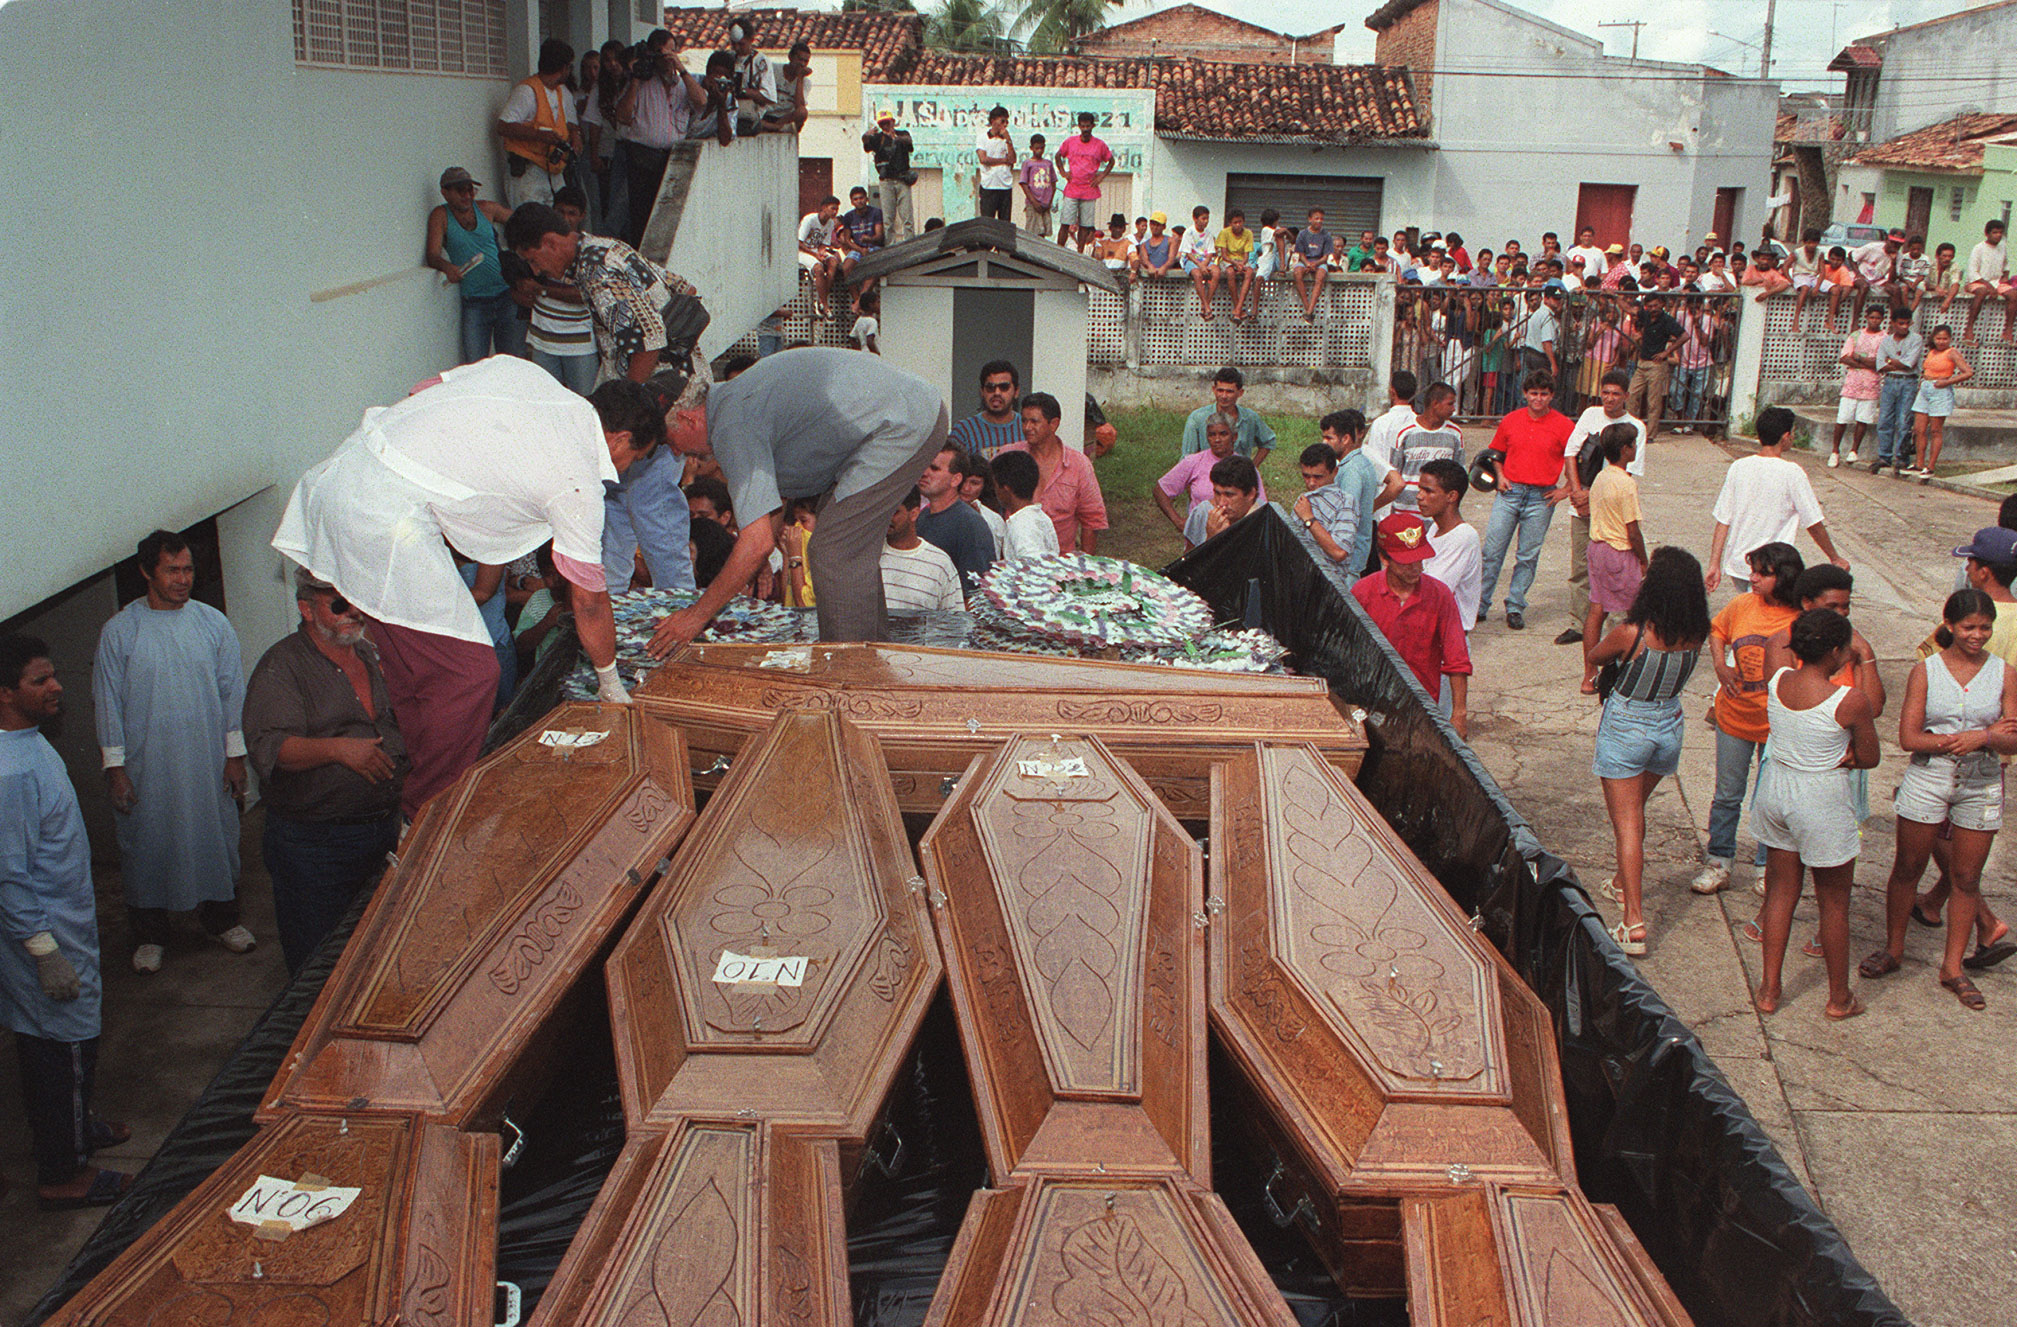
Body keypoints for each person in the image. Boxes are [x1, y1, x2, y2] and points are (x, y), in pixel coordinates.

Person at [273, 359, 662, 816]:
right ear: (618, 439)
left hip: (343, 474)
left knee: (415, 668)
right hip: (383, 519)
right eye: (633, 459)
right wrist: (610, 682)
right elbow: (589, 602)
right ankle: (429, 810)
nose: (622, 472)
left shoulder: (526, 374)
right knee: (470, 675)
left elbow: (423, 389)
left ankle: (418, 781)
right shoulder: (577, 482)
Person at [646, 348, 949, 650]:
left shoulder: (731, 426)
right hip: (906, 412)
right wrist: (756, 562)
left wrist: (695, 617)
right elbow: (772, 505)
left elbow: (756, 542)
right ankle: (869, 653)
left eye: (670, 442)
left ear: (688, 419)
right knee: (845, 546)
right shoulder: (734, 404)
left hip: (903, 423)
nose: (676, 452)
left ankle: (850, 668)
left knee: (835, 550)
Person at [2, 634, 133, 1211]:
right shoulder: (9, 772)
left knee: (62, 1044)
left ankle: (75, 1126)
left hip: (65, 921)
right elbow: (8, 876)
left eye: (53, 675)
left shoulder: (28, 743)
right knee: (62, 1048)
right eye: (40, 680)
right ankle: (63, 1172)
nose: (57, 687)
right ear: (5, 693)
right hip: (47, 935)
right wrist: (44, 952)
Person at [92, 531, 251, 974]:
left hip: (206, 760)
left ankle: (223, 920)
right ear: (147, 572)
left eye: (188, 570)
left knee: (215, 835)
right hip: (148, 764)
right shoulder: (120, 631)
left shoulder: (213, 624)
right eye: (172, 571)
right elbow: (107, 702)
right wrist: (115, 769)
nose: (182, 580)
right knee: (148, 843)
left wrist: (234, 756)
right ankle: (150, 935)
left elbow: (232, 693)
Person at [242, 573, 410, 974]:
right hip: (316, 844)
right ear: (306, 609)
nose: (352, 612)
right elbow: (271, 747)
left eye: (356, 600)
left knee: (375, 954)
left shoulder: (368, 654)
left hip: (381, 830)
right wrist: (338, 750)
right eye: (338, 604)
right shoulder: (282, 666)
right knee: (319, 963)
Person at [1860, 589, 2017, 1009]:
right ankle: (1894, 949)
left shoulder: (2004, 673)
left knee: (1966, 877)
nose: (1977, 635)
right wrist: (1972, 739)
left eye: (1985, 628)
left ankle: (1953, 967)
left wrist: (1982, 737)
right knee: (1908, 866)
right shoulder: (1926, 671)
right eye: (1969, 627)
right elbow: (1908, 737)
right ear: (1949, 625)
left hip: (1981, 782)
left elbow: (2013, 737)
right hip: (1930, 776)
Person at [1750, 610, 1881, 1020]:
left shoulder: (1778, 681)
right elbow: (1870, 757)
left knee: (1780, 892)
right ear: (1837, 651)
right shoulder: (1849, 700)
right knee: (1834, 903)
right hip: (1820, 796)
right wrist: (1849, 755)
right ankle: (1839, 997)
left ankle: (1769, 989)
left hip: (1776, 789)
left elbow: (1776, 645)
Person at [1585, 547, 1711, 956]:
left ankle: (1633, 920)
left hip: (1628, 725)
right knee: (1635, 810)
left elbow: (1595, 655)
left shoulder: (1633, 633)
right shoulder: (1698, 633)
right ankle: (1621, 881)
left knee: (1627, 823)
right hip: (1669, 723)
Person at [1692, 541, 1806, 895]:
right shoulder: (1742, 604)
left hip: (1777, 726)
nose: (1753, 578)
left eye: (1762, 573)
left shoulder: (1800, 619)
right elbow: (1717, 630)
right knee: (1727, 795)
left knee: (1769, 800)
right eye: (1753, 571)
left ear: (1784, 577)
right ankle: (1719, 861)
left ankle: (1766, 866)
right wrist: (1720, 665)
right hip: (1734, 717)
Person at [506, 201, 707, 386]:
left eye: (533, 260)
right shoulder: (604, 246)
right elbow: (684, 288)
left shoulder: (596, 272)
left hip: (666, 388)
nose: (536, 271)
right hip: (685, 376)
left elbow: (649, 342)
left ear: (550, 243)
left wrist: (631, 399)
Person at [1704, 406, 1849, 592]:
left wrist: (1714, 564)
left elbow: (1723, 520)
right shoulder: (1792, 472)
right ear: (1786, 436)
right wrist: (1834, 557)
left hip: (1739, 565)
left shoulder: (1738, 467)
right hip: (1772, 570)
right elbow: (1813, 521)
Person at [1353, 513, 1472, 737]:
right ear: (1384, 558)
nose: (1416, 568)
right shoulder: (1362, 593)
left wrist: (1459, 714)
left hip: (1421, 709)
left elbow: (1457, 658)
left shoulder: (1440, 595)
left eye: (1420, 559)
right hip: (1371, 703)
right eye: (1406, 563)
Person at [1475, 371, 1571, 630]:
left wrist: (1566, 489)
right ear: (1525, 394)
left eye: (1544, 394)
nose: (1538, 398)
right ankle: (1480, 604)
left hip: (1542, 498)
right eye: (1533, 393)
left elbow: (1576, 459)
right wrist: (1500, 476)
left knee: (1528, 556)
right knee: (1492, 552)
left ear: (1551, 396)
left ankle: (1515, 606)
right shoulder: (1511, 420)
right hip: (1510, 493)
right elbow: (1496, 453)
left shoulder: (1563, 425)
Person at [1558, 369, 1644, 644]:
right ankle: (1579, 622)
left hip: (1610, 510)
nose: (1609, 398)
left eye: (1616, 394)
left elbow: (1628, 472)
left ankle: (1614, 629)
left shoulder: (1636, 427)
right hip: (1581, 501)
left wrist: (1590, 497)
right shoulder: (1590, 415)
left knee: (1616, 569)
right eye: (1605, 392)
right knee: (1580, 566)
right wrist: (1576, 492)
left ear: (1626, 396)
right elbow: (1571, 453)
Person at [613, 41, 707, 248]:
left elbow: (701, 102)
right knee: (641, 215)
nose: (666, 58)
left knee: (673, 216)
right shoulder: (641, 83)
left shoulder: (683, 84)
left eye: (669, 51)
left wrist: (681, 68)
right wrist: (635, 77)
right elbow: (622, 116)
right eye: (660, 53)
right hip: (642, 157)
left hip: (674, 157)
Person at [425, 166, 523, 364]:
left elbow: (523, 221)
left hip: (506, 295)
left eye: (471, 190)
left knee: (513, 362)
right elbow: (432, 255)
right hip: (475, 302)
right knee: (475, 365)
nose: (467, 195)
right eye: (460, 191)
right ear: (445, 193)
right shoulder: (441, 215)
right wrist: (447, 267)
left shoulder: (486, 208)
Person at [1578, 424, 1649, 691]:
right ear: (1625, 449)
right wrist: (1643, 560)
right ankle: (1634, 670)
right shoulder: (1626, 483)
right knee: (1635, 612)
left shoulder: (1601, 477)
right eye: (1633, 444)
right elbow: (1633, 530)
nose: (1636, 448)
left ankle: (1589, 675)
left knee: (1597, 609)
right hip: (1619, 552)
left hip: (1597, 548)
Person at [996, 392, 1107, 554]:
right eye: (1024, 421)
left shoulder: (1079, 465)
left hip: (1062, 561)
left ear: (1053, 424)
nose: (1027, 427)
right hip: (1016, 560)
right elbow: (988, 498)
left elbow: (1093, 520)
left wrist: (1084, 564)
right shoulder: (1008, 456)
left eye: (1034, 421)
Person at [519, 186, 599, 394]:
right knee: (546, 400)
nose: (565, 218)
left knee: (585, 401)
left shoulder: (588, 250)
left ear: (582, 216)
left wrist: (542, 290)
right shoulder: (539, 244)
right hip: (542, 338)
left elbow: (586, 295)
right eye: (560, 211)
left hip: (578, 341)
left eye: (572, 213)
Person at [497, 38, 580, 208]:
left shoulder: (560, 91)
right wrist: (539, 136)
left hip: (553, 171)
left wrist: (575, 135)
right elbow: (503, 126)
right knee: (531, 221)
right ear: (563, 68)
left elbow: (567, 122)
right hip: (528, 173)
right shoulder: (527, 91)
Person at [1157, 412, 1263, 533]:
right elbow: (1161, 490)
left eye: (1223, 434)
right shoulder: (1193, 462)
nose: (1217, 439)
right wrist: (1178, 521)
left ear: (1234, 437)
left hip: (1237, 534)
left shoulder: (1245, 467)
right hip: (1200, 535)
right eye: (1212, 435)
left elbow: (1259, 505)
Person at [915, 443, 994, 594]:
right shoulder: (922, 517)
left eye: (934, 468)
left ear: (956, 479)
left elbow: (976, 594)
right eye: (924, 465)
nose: (924, 473)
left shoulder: (970, 524)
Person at [1415, 458, 1480, 631]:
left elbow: (1433, 590)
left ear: (1451, 496)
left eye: (1428, 491)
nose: (1419, 496)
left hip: (1449, 634)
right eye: (1420, 489)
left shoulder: (1463, 537)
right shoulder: (1435, 528)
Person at [1906, 325, 1973, 482]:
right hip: (1925, 388)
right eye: (1938, 338)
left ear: (1950, 339)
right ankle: (1919, 463)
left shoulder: (1952, 352)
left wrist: (1947, 382)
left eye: (1945, 339)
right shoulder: (1932, 351)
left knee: (1936, 430)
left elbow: (1968, 372)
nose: (1941, 342)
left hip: (1940, 390)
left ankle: (1930, 467)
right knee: (1919, 429)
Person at [881, 487, 964, 613]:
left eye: (894, 512)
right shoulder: (868, 556)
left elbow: (954, 619)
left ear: (914, 513)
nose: (887, 518)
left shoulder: (939, 564)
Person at [1388, 380, 1464, 515]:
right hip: (1406, 510)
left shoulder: (1455, 434)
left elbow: (1458, 475)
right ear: (1435, 404)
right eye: (1450, 404)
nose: (1453, 409)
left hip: (1439, 514)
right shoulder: (1404, 432)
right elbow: (1394, 472)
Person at [1828, 304, 1884, 467]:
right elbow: (1845, 357)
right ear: (1866, 317)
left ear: (1882, 319)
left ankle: (1854, 450)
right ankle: (1835, 451)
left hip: (1871, 384)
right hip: (1852, 383)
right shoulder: (1856, 335)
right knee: (1842, 418)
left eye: (1878, 318)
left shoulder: (1885, 338)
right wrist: (1867, 363)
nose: (1874, 321)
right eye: (1872, 317)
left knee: (1863, 419)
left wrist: (1859, 358)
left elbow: (1880, 362)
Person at [1180, 367, 1275, 463]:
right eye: (1220, 390)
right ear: (1214, 390)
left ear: (1240, 393)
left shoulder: (1250, 418)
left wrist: (1252, 467)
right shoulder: (1197, 418)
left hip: (1239, 471)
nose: (1224, 396)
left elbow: (1268, 441)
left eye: (1229, 391)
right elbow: (1187, 457)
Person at [1624, 291, 1684, 444]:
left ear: (1662, 304)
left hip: (1657, 365)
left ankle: (1650, 435)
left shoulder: (1667, 320)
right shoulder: (1645, 316)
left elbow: (1684, 336)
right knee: (1631, 395)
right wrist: (1614, 296)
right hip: (1642, 363)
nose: (1653, 309)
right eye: (1650, 306)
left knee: (1653, 401)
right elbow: (1629, 309)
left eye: (1656, 305)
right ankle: (1631, 431)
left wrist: (1666, 352)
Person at [1870, 305, 1924, 475]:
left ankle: (1902, 457)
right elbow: (1880, 364)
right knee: (1884, 419)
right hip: (1890, 381)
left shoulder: (1916, 339)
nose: (1904, 326)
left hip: (1908, 382)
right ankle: (1884, 456)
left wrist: (1891, 361)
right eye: (1900, 323)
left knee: (1904, 421)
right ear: (1893, 323)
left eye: (1907, 323)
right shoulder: (1886, 341)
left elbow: (1910, 364)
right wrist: (1895, 363)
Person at [1290, 443, 1360, 571]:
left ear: (1335, 472)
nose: (1311, 483)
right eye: (1306, 476)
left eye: (1318, 477)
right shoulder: (1304, 501)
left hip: (1329, 578)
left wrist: (1309, 519)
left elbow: (1339, 552)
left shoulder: (1345, 502)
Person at [1053, 113, 1113, 250]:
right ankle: (1058, 251)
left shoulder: (1099, 145)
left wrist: (1101, 177)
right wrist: (1063, 172)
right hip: (1072, 188)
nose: (1085, 129)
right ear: (1079, 126)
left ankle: (1080, 251)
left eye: (1088, 126)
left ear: (1093, 126)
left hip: (1089, 189)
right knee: (1065, 222)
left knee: (1085, 225)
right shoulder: (1070, 142)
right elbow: (1058, 156)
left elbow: (1111, 161)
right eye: (1083, 126)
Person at [948, 360, 1025, 460]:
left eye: (1004, 387)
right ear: (982, 392)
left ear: (1016, 391)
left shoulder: (1027, 428)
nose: (997, 393)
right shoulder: (964, 431)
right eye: (990, 387)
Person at [991, 450, 1061, 561]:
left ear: (1006, 488)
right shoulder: (1040, 517)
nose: (995, 492)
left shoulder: (1021, 524)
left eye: (995, 486)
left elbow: (1031, 565)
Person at [861, 109, 917, 244]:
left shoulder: (902, 134)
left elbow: (909, 143)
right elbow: (866, 145)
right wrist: (866, 135)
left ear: (893, 121)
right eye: (882, 123)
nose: (885, 125)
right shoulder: (877, 138)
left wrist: (895, 137)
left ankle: (910, 244)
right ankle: (890, 246)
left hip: (902, 179)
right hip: (886, 181)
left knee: (907, 217)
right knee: (888, 218)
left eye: (887, 122)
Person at [1184, 455, 1261, 551]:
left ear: (1251, 494)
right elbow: (1189, 557)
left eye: (1229, 495)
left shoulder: (1269, 516)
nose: (1221, 503)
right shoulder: (1202, 513)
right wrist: (1211, 539)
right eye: (1217, 493)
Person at [1963, 218, 2016, 343]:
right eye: (1995, 232)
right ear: (1987, 233)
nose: (1998, 235)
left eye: (2000, 233)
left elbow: (2006, 266)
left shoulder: (2002, 247)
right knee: (1982, 292)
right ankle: (1969, 330)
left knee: (2014, 294)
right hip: (1977, 282)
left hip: (1996, 282)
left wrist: (2005, 277)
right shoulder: (1979, 248)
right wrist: (1989, 286)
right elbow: (1972, 272)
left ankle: (2007, 331)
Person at [796, 195, 846, 321]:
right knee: (818, 269)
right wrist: (816, 255)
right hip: (802, 251)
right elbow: (798, 242)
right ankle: (825, 305)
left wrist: (822, 252)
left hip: (815, 251)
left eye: (837, 209)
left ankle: (821, 301)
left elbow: (824, 244)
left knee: (833, 262)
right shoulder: (810, 219)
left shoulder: (830, 223)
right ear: (824, 207)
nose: (835, 212)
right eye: (833, 208)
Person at [728, 20, 777, 137]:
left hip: (750, 115)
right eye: (734, 44)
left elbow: (769, 97)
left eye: (741, 44)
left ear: (751, 40)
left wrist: (744, 92)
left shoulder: (761, 61)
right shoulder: (728, 58)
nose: (737, 48)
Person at [1291, 208, 1335, 321]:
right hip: (1305, 261)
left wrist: (1315, 264)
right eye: (1316, 218)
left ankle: (1310, 310)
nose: (1319, 221)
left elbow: (1325, 257)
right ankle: (1307, 306)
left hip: (1319, 262)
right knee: (1297, 273)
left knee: (1320, 277)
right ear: (1310, 219)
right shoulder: (1302, 234)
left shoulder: (1326, 235)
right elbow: (1300, 253)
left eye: (1321, 219)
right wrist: (1307, 264)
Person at [975, 105, 1016, 222]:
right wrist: (1003, 160)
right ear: (993, 121)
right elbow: (983, 159)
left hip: (1005, 186)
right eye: (1002, 121)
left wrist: (1008, 140)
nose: (1005, 124)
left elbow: (1012, 159)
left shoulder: (1006, 140)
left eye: (1006, 122)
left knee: (1005, 224)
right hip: (989, 186)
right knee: (988, 222)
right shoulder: (982, 138)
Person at [1217, 208, 1257, 323]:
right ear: (1230, 223)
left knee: (1249, 272)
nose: (1238, 225)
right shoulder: (1224, 233)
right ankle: (1238, 307)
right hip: (1228, 260)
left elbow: (1247, 255)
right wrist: (1235, 264)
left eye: (1240, 222)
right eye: (1235, 222)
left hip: (1241, 260)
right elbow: (1224, 255)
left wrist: (1242, 264)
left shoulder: (1248, 233)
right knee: (1230, 273)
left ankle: (1238, 308)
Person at [763, 42, 810, 133]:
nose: (802, 64)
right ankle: (773, 127)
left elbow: (800, 107)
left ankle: (774, 127)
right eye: (800, 59)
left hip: (784, 118)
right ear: (790, 57)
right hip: (766, 113)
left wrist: (800, 78)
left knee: (803, 112)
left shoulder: (805, 82)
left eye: (806, 61)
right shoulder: (772, 70)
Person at [1018, 133, 1055, 236]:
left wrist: (1049, 201)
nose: (1039, 150)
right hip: (1033, 204)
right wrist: (1033, 202)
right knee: (1033, 231)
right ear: (1031, 148)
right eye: (1037, 148)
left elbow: (1053, 184)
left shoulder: (1048, 163)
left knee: (1044, 231)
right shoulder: (1027, 163)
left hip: (1045, 204)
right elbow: (1024, 184)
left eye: (1042, 148)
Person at [1135, 211, 1178, 279]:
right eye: (1153, 224)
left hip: (1168, 278)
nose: (1155, 227)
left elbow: (1171, 259)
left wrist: (1164, 267)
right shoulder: (1144, 244)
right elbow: (1145, 260)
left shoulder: (1171, 241)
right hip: (1149, 279)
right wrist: (1150, 266)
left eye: (1158, 225)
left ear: (1164, 227)